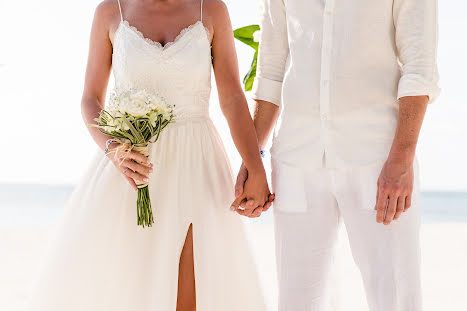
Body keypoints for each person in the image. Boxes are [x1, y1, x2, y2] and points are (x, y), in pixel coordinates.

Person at [25, 0, 271, 310]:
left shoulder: (211, 10)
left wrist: (255, 166)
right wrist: (113, 151)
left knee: (193, 287)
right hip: (131, 167)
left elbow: (233, 98)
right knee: (131, 288)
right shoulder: (110, 12)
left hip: (197, 164)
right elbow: (90, 99)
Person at [233, 0, 440, 310]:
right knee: (296, 300)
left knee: (395, 297)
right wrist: (253, 160)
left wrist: (402, 159)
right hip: (295, 158)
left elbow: (418, 66)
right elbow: (271, 74)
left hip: (379, 159)